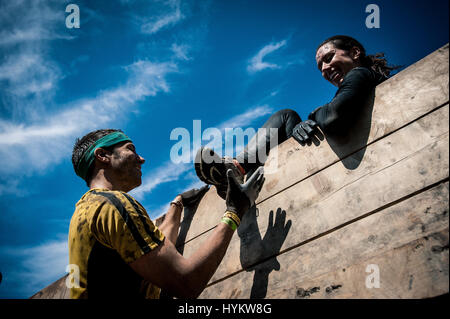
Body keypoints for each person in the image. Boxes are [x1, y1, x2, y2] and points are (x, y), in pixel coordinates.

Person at [195, 35, 399, 198]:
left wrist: (314, 114)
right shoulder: (359, 83)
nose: (325, 69)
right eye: (320, 67)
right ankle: (235, 172)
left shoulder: (360, 73)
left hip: (335, 167)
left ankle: (235, 169)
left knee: (285, 116)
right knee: (288, 118)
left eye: (329, 58)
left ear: (355, 53)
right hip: (323, 172)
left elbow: (332, 119)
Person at [68, 129, 265, 299]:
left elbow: (155, 253)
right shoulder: (114, 205)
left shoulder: (85, 211)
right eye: (130, 149)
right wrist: (234, 211)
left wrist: (177, 204)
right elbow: (186, 283)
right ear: (102, 155)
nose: (141, 159)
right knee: (285, 116)